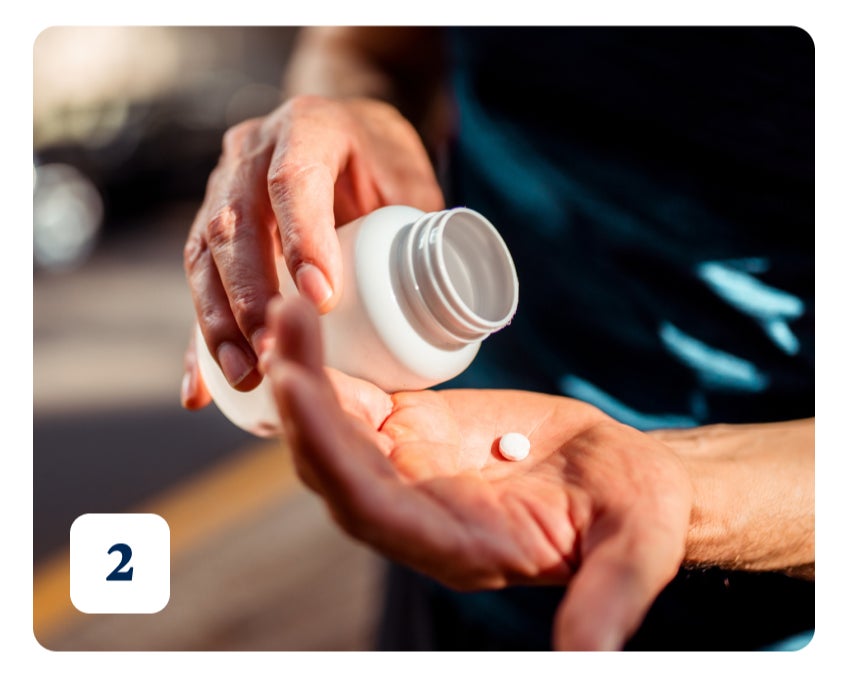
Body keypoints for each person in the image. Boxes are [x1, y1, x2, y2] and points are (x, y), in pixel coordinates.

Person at [181, 27, 814, 651]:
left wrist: (686, 486)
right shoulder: (440, 353)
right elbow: (365, 42)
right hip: (435, 480)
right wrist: (352, 108)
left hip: (752, 606)